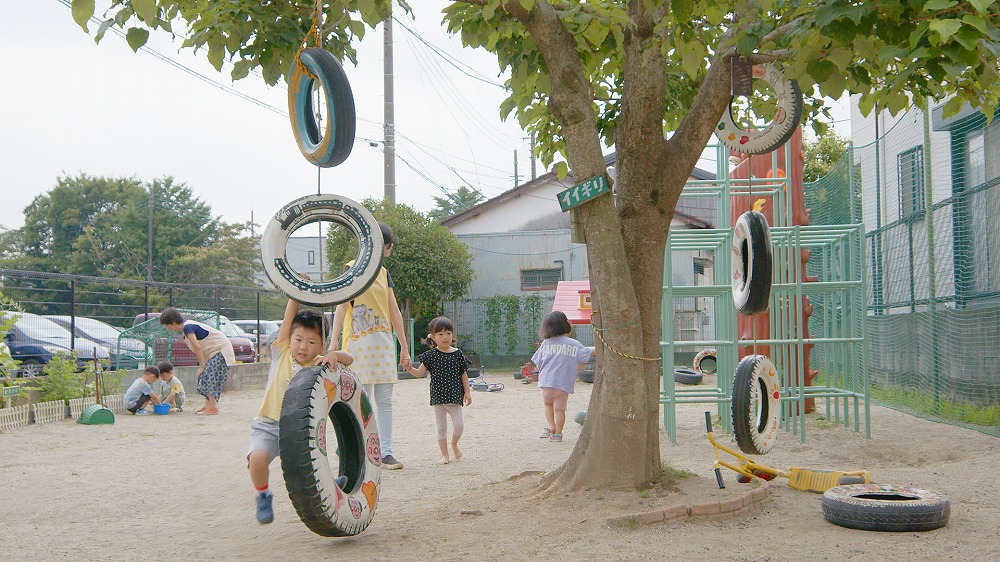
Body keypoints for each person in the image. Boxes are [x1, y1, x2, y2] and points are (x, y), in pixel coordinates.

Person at [248, 298, 353, 525]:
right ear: (290, 339)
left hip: (300, 429)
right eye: (298, 340)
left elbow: (349, 359)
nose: (303, 347)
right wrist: (295, 294)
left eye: (311, 342)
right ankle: (263, 494)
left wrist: (335, 355)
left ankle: (329, 485)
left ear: (321, 347)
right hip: (268, 423)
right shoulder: (282, 352)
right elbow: (289, 318)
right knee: (256, 460)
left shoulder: (318, 363)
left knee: (310, 468)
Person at [328, 222, 412, 470]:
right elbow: (341, 306)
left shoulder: (384, 274)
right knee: (359, 398)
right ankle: (352, 446)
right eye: (388, 245)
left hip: (383, 343)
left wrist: (404, 348)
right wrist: (333, 344)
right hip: (358, 344)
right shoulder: (351, 269)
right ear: (383, 245)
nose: (388, 250)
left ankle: (385, 452)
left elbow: (394, 311)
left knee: (385, 399)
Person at [406, 316, 472, 465]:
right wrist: (409, 369)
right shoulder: (430, 356)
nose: (445, 337)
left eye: (448, 333)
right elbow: (420, 373)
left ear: (453, 334)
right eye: (441, 334)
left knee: (459, 426)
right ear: (433, 336)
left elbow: (464, 374)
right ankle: (444, 455)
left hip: (455, 397)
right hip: (438, 398)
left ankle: (454, 444)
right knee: (441, 427)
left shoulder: (458, 354)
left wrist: (467, 392)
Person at [531, 311, 594, 443]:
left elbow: (538, 362)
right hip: (562, 384)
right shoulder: (573, 344)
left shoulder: (545, 344)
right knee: (560, 409)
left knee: (548, 405)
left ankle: (551, 426)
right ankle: (557, 434)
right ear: (565, 325)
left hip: (546, 383)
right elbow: (587, 353)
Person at [159, 307, 235, 415]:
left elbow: (197, 347)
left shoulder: (188, 327)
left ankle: (212, 408)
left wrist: (202, 367)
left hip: (220, 350)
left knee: (210, 377)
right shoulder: (185, 331)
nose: (167, 327)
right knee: (205, 377)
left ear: (173, 322)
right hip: (214, 353)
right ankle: (208, 406)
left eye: (167, 325)